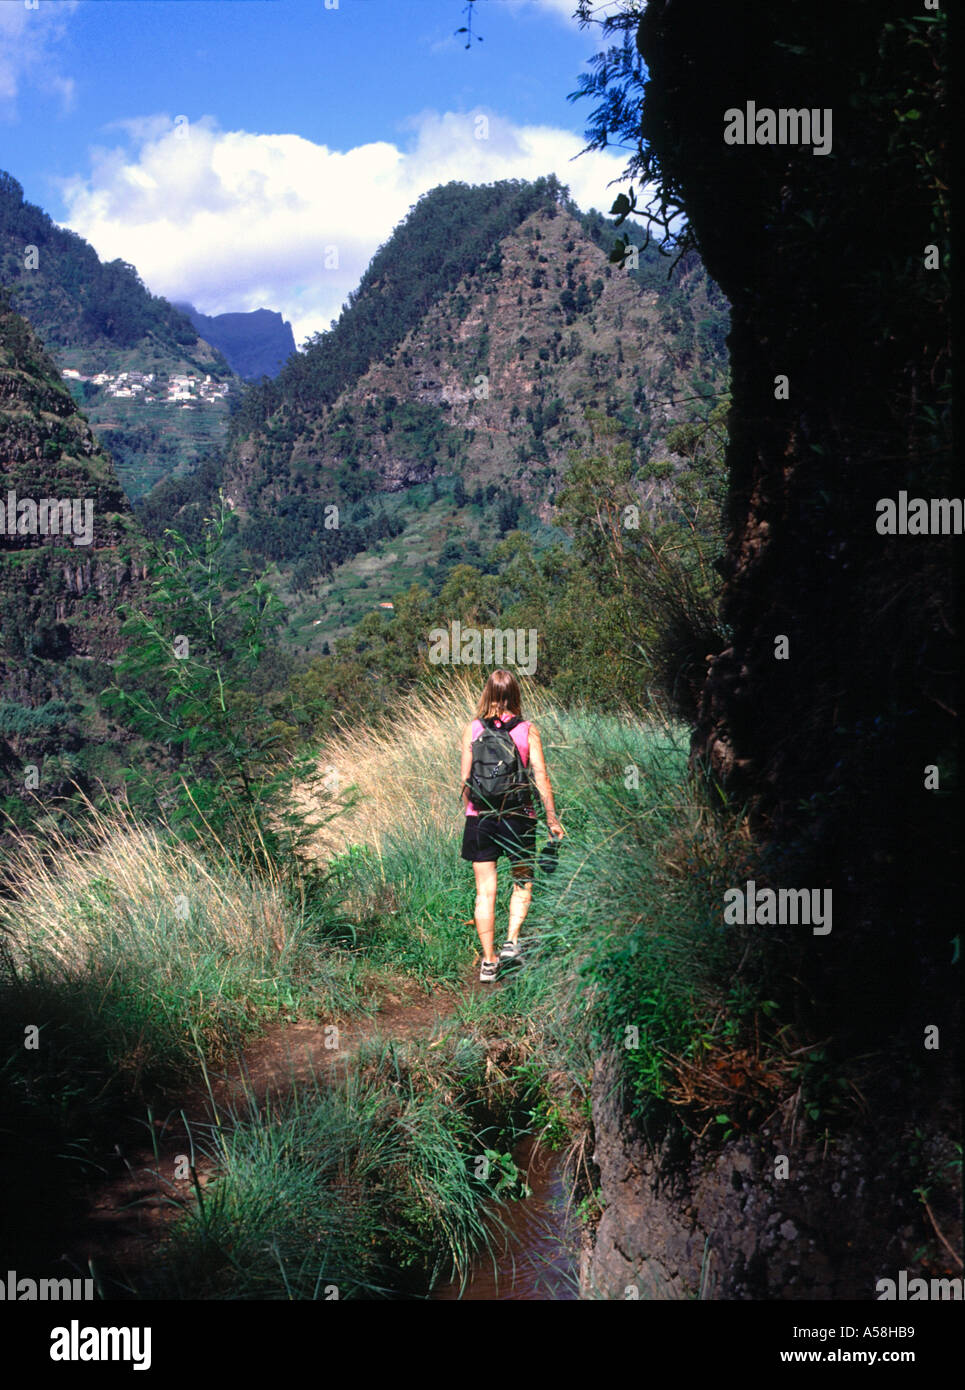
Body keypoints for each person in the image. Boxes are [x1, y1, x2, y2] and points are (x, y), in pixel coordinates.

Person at [460, 669, 564, 981]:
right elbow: (541, 777)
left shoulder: (472, 729)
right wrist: (551, 817)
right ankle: (511, 942)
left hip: (480, 817)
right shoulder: (528, 730)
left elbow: (465, 779)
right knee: (522, 880)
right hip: (519, 817)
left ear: (487, 694)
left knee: (484, 892)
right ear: (515, 694)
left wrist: (474, 805)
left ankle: (489, 962)